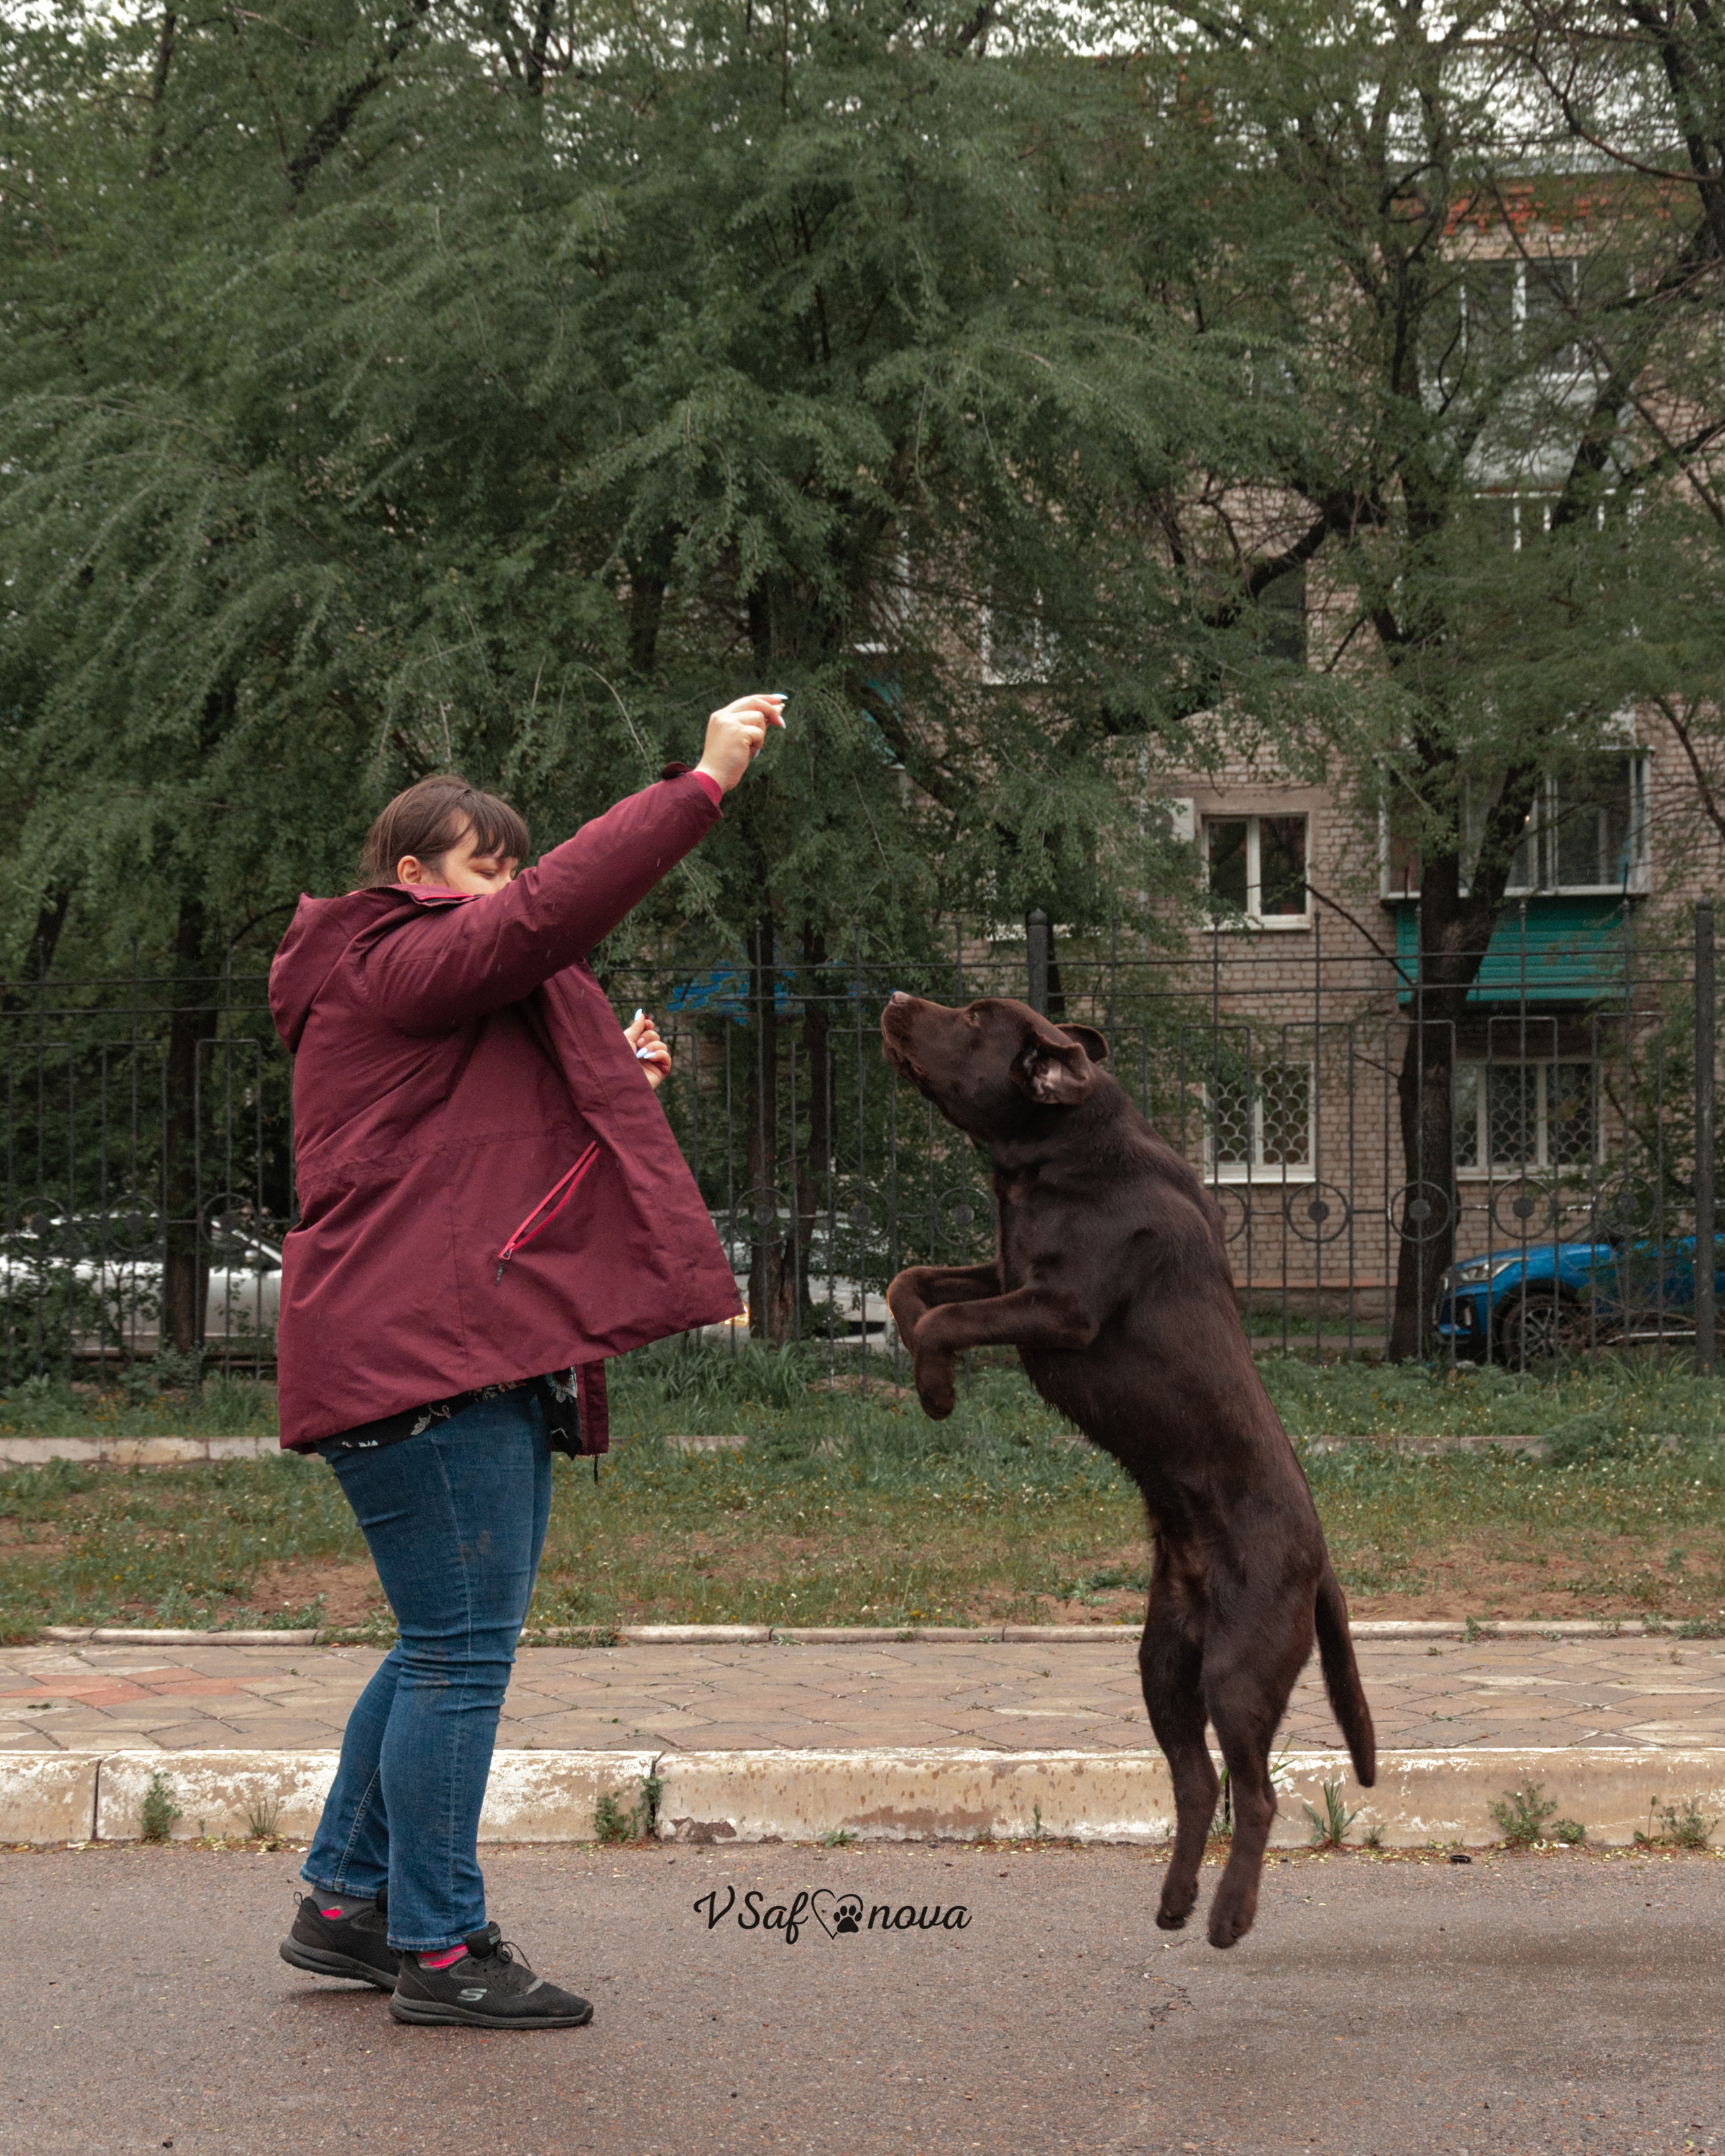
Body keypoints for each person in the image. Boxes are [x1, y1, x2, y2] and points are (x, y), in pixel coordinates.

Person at [269, 694, 782, 2030]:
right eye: (483, 863)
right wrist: (700, 784)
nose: (505, 882)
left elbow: (466, 1164)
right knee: (457, 1659)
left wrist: (608, 1082)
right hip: (424, 1365)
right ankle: (438, 1949)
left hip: (442, 1351)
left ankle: (348, 1902)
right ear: (411, 876)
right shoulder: (386, 955)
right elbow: (550, 916)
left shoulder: (413, 995)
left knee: (436, 1643)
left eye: (512, 858)